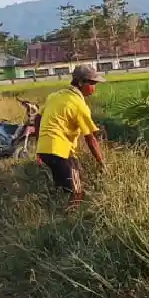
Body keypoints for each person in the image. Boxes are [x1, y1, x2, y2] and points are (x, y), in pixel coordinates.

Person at [35, 65, 108, 209]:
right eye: (92, 83)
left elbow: (38, 117)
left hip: (45, 150)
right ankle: (69, 220)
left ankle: (54, 213)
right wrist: (102, 163)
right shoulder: (79, 105)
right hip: (60, 151)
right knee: (77, 192)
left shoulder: (55, 96)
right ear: (80, 83)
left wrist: (40, 141)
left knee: (64, 187)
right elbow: (90, 138)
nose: (94, 87)